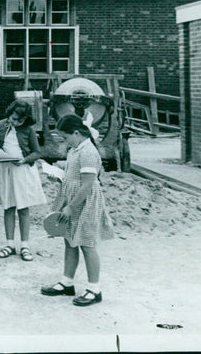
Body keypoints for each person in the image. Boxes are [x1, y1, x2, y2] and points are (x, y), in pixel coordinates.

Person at [40, 114, 114, 307]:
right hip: (72, 198)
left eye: (65, 138)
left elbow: (87, 185)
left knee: (87, 244)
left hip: (85, 202)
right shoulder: (74, 149)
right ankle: (67, 283)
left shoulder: (88, 152)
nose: (64, 142)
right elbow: (72, 178)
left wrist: (71, 207)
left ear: (76, 132)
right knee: (70, 242)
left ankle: (94, 290)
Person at [0, 99, 47, 262]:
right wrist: (0, 156)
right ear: (9, 114)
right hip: (5, 170)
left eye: (19, 121)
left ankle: (25, 245)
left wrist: (24, 160)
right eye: (13, 119)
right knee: (8, 206)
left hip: (22, 171)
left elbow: (37, 152)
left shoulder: (28, 130)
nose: (15, 122)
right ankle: (9, 244)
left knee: (23, 207)